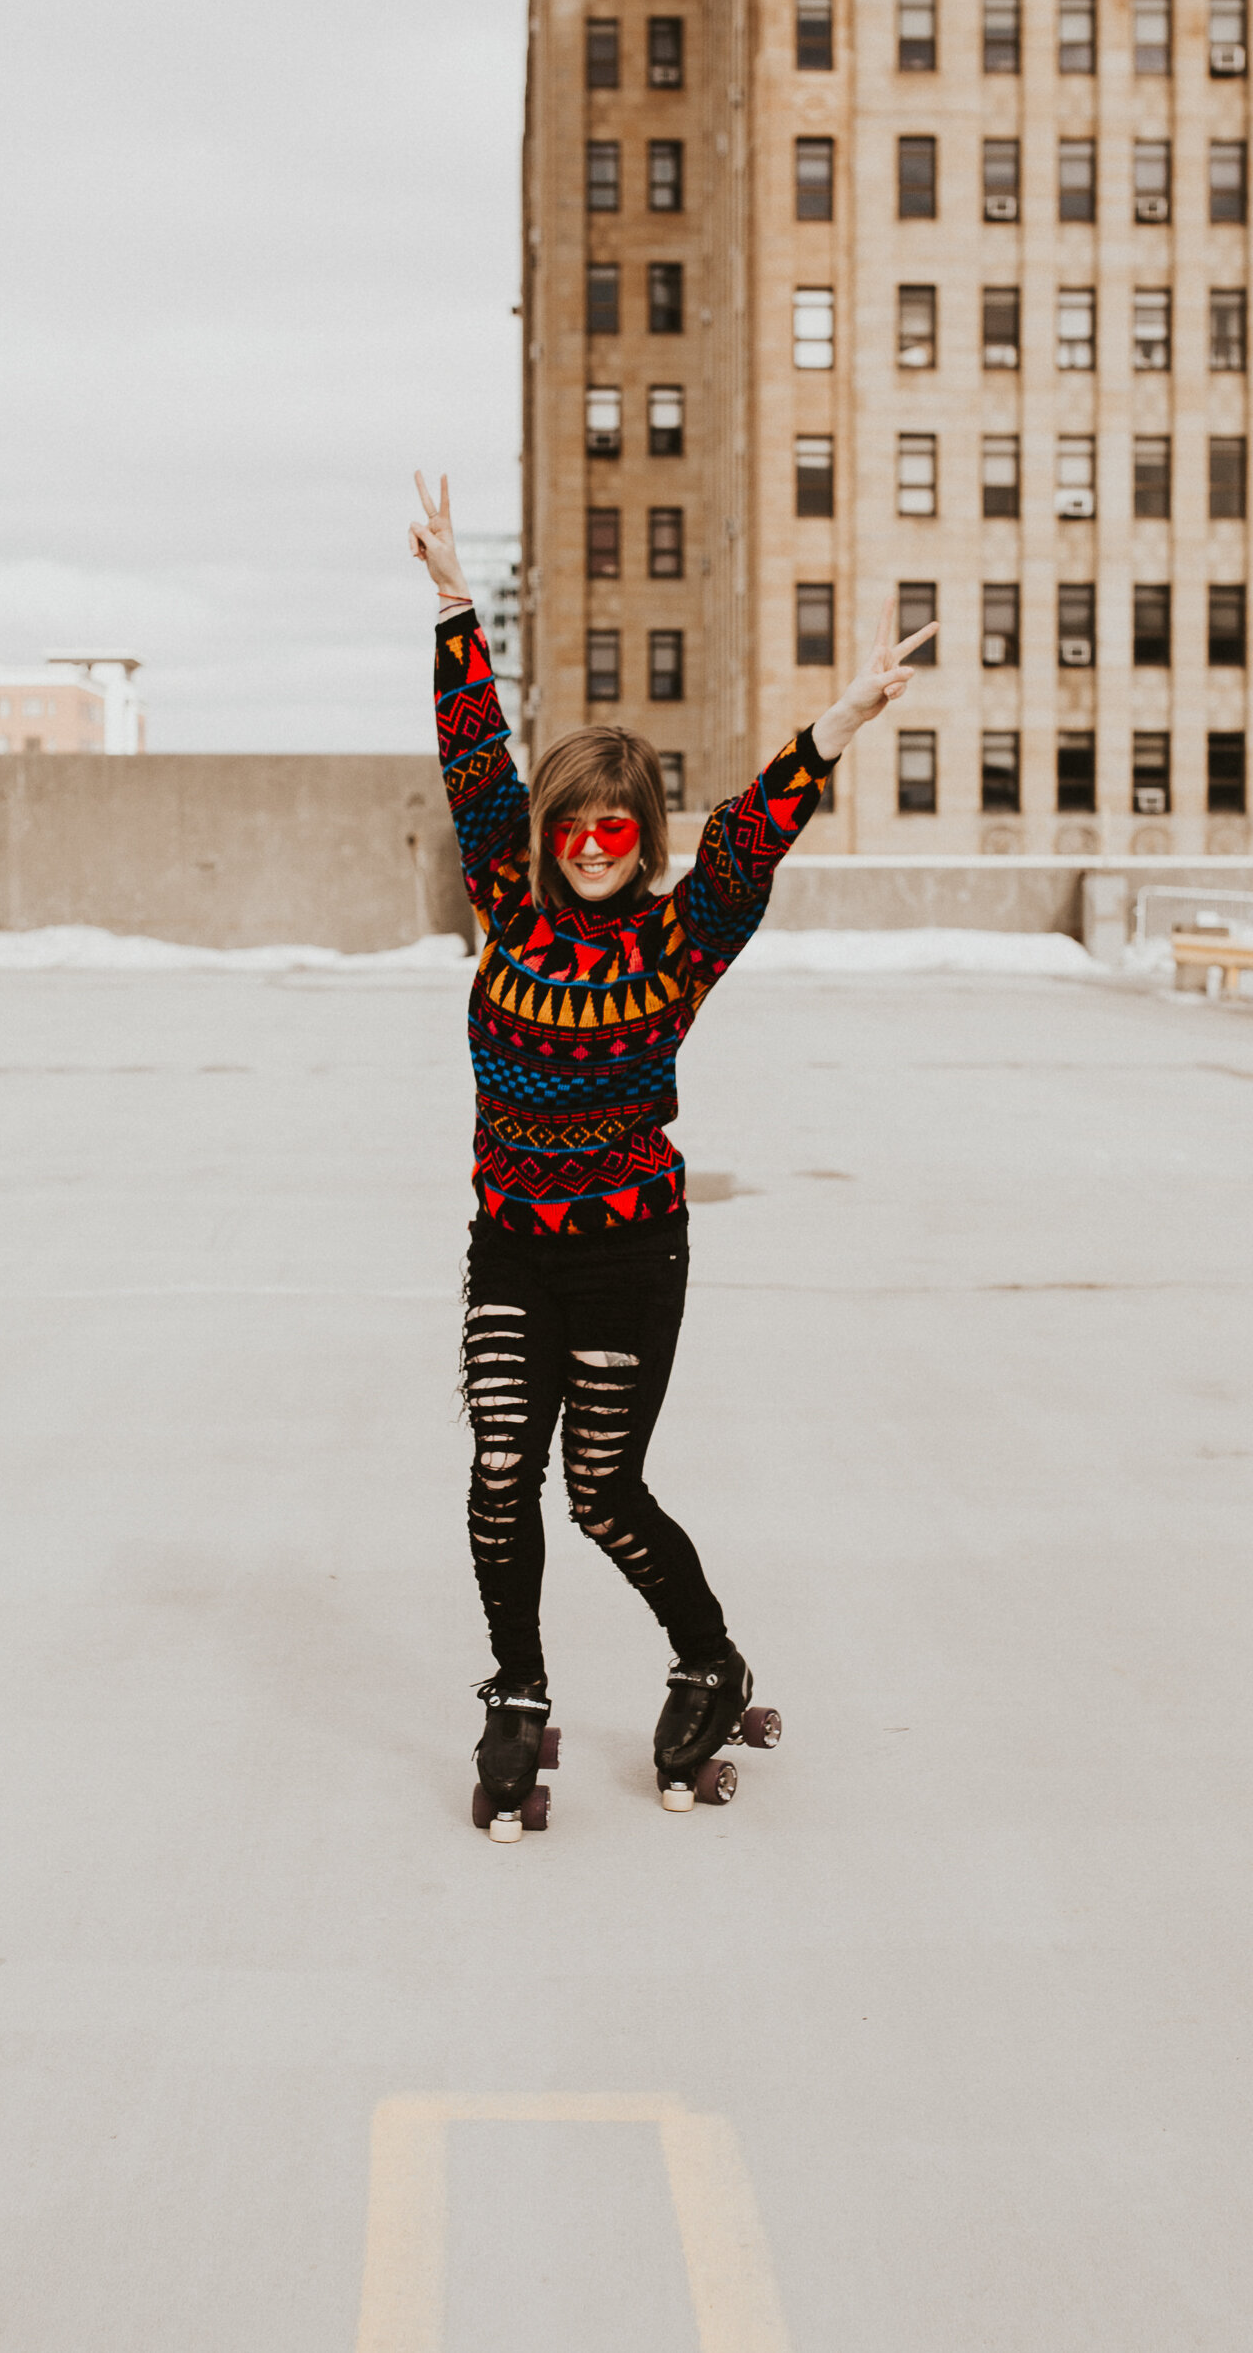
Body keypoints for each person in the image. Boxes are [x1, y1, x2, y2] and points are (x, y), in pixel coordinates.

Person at [409, 472, 934, 1841]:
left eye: (616, 827)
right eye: (571, 825)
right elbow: (478, 759)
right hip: (512, 1245)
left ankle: (709, 1658)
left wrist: (839, 720)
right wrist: (457, 603)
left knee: (600, 1490)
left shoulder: (678, 938)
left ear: (638, 839)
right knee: (494, 1472)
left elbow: (754, 831)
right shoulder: (503, 905)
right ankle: (516, 1692)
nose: (590, 844)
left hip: (630, 1254)